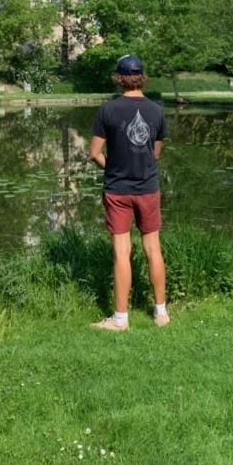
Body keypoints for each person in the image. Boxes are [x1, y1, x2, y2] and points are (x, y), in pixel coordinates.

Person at [89, 54, 169, 331]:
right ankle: (161, 313)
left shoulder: (107, 111)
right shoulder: (157, 111)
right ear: (142, 77)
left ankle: (121, 318)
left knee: (122, 253)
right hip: (147, 187)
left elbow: (94, 153)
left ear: (119, 78)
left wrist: (112, 167)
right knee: (153, 249)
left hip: (117, 190)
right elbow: (155, 153)